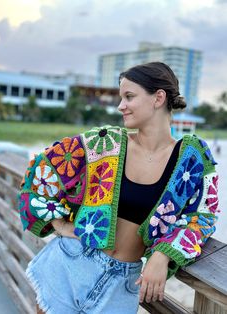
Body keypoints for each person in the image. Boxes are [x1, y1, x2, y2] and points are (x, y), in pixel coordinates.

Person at [18, 62, 219, 314]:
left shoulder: (190, 159)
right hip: (70, 266)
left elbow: (203, 216)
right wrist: (60, 225)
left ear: (158, 98)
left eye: (129, 96)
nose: (120, 106)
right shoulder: (104, 143)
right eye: (121, 97)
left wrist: (163, 254)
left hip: (123, 285)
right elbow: (41, 171)